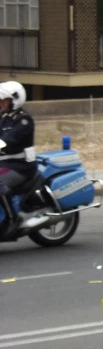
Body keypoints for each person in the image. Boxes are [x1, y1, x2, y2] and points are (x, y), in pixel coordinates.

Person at [0, 81, 43, 236]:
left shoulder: (24, 120)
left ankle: (13, 219)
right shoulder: (4, 118)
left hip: (21, 166)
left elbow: (10, 139)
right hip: (5, 163)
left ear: (14, 100)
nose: (1, 103)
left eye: (4, 100)